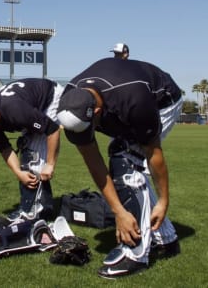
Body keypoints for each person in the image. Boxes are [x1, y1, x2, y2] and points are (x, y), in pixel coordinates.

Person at [56, 57, 182, 278]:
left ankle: (136, 253)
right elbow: (93, 162)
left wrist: (163, 201)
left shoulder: (134, 100)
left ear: (96, 113)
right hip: (120, 98)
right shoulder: (70, 103)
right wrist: (118, 212)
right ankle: (166, 239)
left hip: (162, 100)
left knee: (125, 163)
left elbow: (154, 154)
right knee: (120, 158)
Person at [0, 78, 63, 221]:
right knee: (27, 159)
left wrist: (50, 164)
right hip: (29, 104)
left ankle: (33, 212)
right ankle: (43, 209)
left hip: (50, 97)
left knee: (33, 160)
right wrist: (18, 172)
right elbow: (5, 149)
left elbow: (53, 130)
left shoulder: (14, 109)